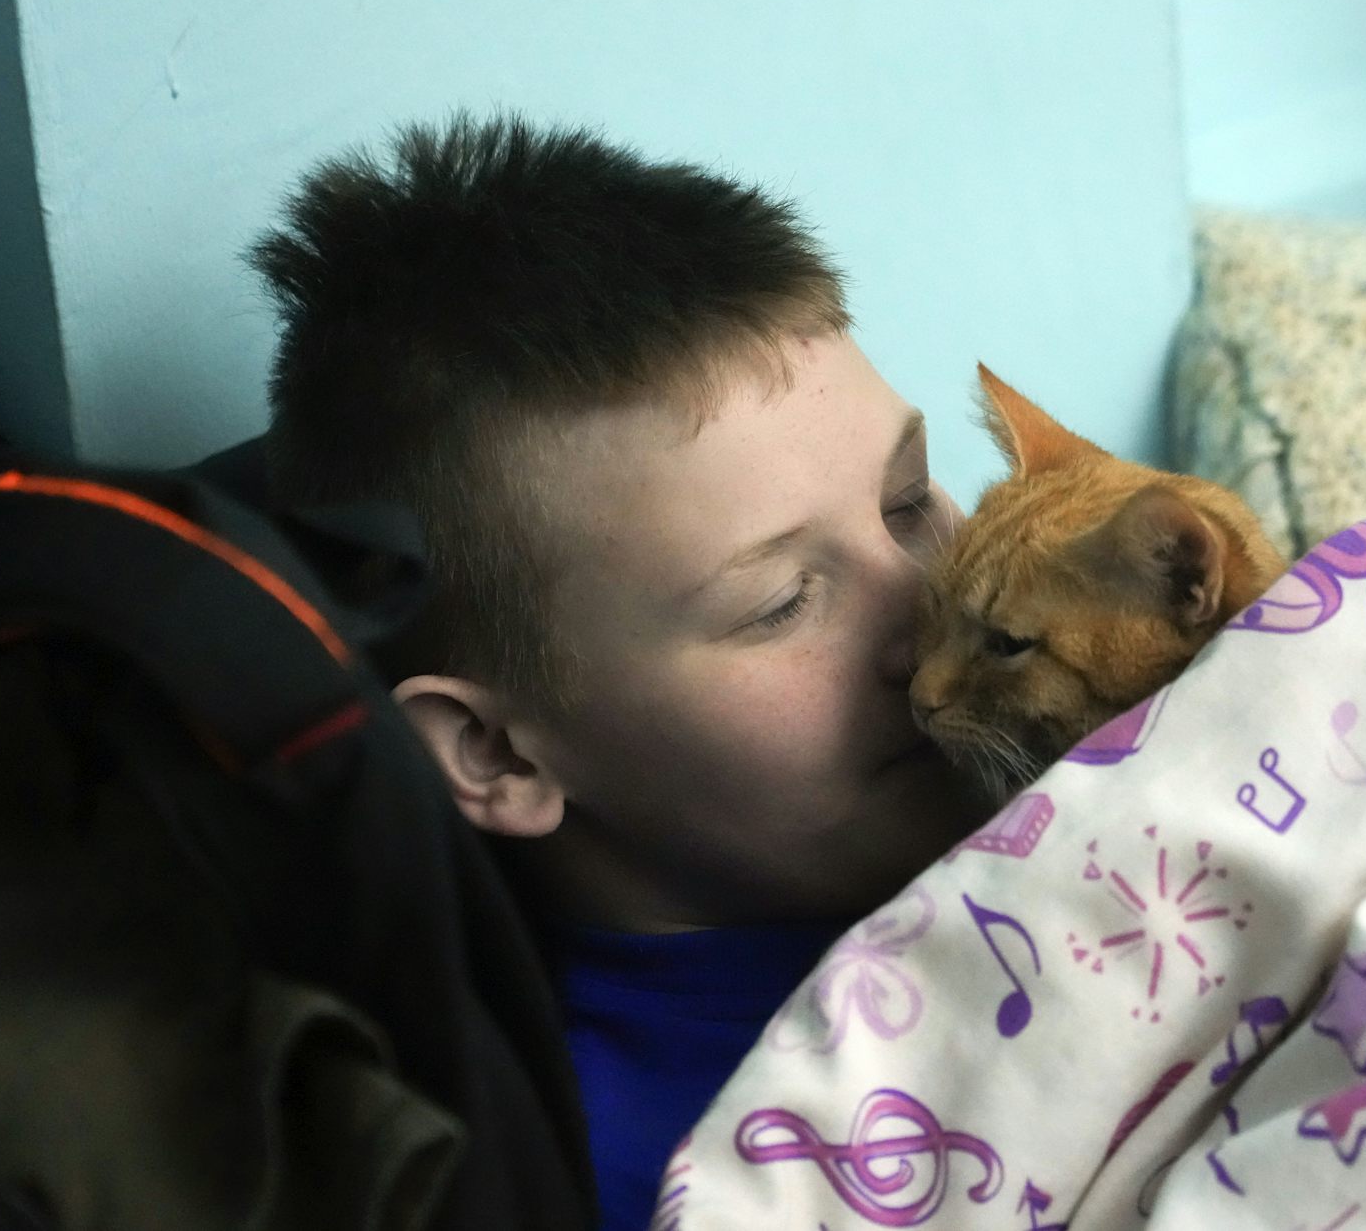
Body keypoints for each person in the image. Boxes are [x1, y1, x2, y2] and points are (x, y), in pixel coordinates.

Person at [248, 113, 995, 1229]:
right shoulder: (665, 1174)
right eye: (782, 600)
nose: (939, 626)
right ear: (497, 752)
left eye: (906, 501)